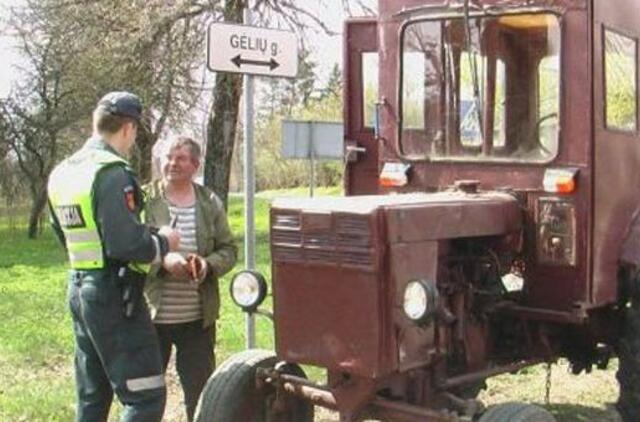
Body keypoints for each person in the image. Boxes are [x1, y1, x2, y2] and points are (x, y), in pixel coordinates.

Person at [48, 91, 181, 422]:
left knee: (93, 397)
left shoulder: (63, 172)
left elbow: (65, 234)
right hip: (115, 294)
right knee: (144, 396)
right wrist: (162, 242)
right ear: (128, 129)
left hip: (79, 288)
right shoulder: (111, 172)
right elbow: (125, 245)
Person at [144, 136, 237, 421]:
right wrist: (163, 261)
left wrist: (206, 265)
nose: (172, 163)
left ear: (195, 165)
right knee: (146, 394)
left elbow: (229, 250)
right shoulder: (144, 198)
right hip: (150, 318)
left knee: (199, 393)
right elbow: (127, 249)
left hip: (198, 319)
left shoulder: (209, 202)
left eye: (181, 158)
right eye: (168, 157)